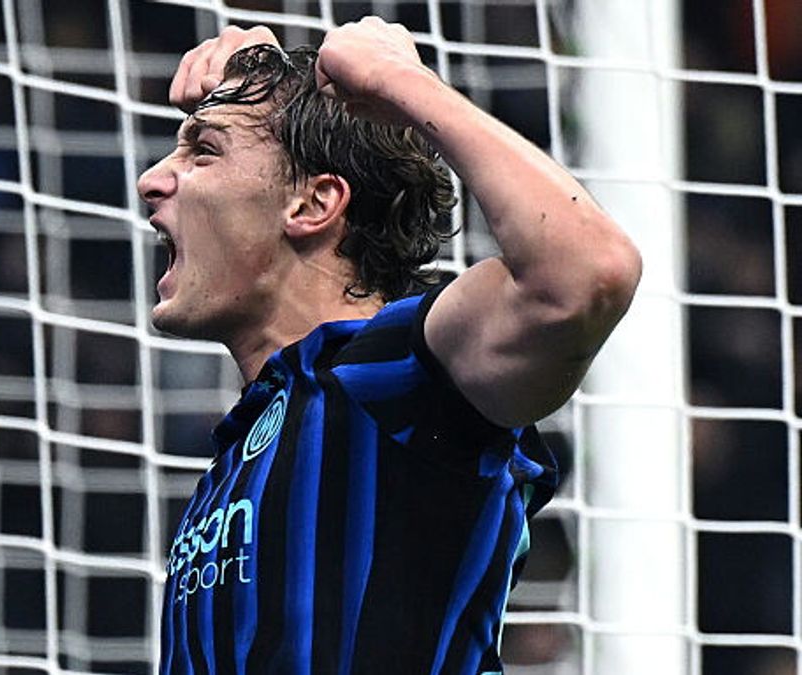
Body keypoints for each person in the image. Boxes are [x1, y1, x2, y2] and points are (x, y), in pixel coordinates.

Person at [138, 17, 641, 675]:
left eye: (203, 151)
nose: (152, 180)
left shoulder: (397, 374)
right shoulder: (243, 446)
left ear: (313, 204)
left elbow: (589, 272)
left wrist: (399, 81)